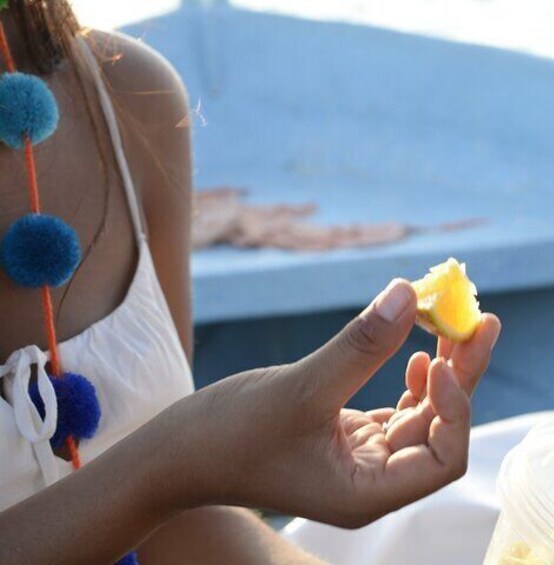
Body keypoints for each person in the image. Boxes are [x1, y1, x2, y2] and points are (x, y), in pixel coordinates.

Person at [0, 2, 501, 563]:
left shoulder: (125, 95)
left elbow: (176, 520)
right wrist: (178, 460)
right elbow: (166, 479)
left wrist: (196, 465)